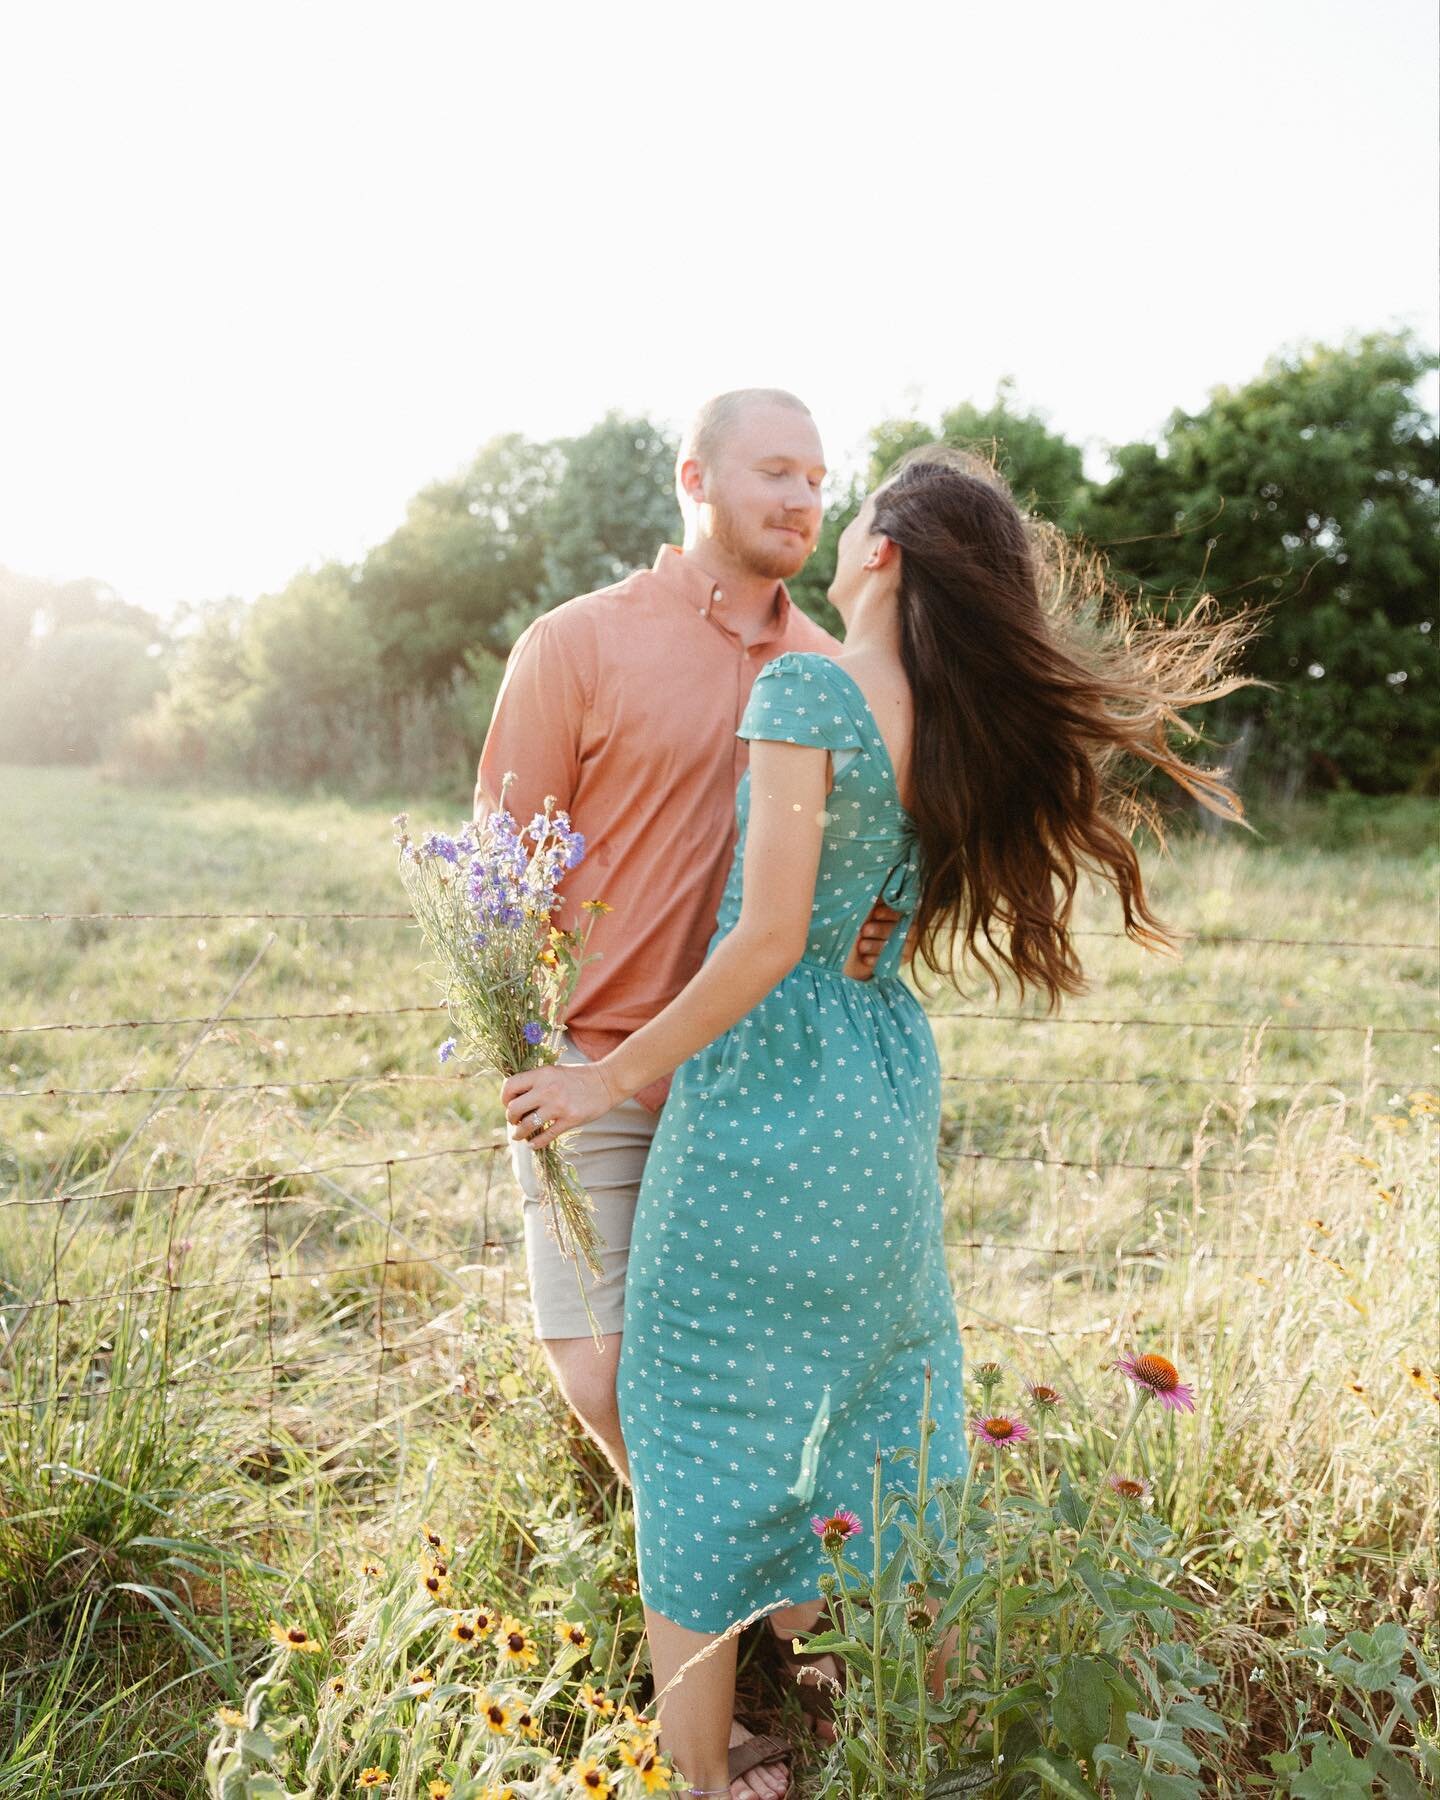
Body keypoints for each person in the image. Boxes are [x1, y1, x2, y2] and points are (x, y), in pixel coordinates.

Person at [502, 443, 1255, 1799]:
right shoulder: (958, 725)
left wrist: (601, 1081)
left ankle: (706, 1774)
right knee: (881, 1412)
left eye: (849, 521)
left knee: (685, 1418)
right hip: (883, 1088)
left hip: (766, 1090)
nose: (833, 542)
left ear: (885, 556)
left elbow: (770, 935)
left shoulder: (810, 689)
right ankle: (896, 1726)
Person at [476, 389, 902, 1799]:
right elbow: (499, 866)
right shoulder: (579, 643)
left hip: (757, 1092)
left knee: (770, 1385)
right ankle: (766, 1610)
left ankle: (767, 1666)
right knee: (598, 1368)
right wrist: (520, 1039)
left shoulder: (836, 668)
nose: (805, 495)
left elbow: (872, 860)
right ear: (693, 476)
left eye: (820, 476)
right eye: (776, 469)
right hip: (591, 1063)